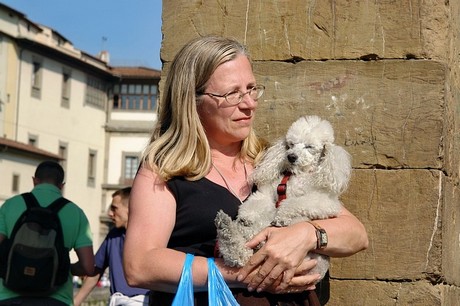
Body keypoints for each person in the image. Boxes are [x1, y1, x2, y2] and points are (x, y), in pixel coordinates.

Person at [123, 36, 369, 306]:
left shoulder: (274, 160)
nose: (249, 104)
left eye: (252, 89)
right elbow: (140, 265)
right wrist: (245, 273)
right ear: (192, 100)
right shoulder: (164, 171)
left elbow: (356, 234)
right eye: (232, 94)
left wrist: (307, 235)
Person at [0, 160, 94, 306]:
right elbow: (88, 267)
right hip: (57, 298)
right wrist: (64, 267)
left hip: (9, 295)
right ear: (62, 186)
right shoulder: (76, 213)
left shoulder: (10, 205)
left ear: (34, 180)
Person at [73, 187, 149, 306]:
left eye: (114, 208)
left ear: (131, 208)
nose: (109, 213)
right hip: (116, 301)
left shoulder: (151, 236)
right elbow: (94, 272)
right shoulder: (113, 236)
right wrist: (75, 302)